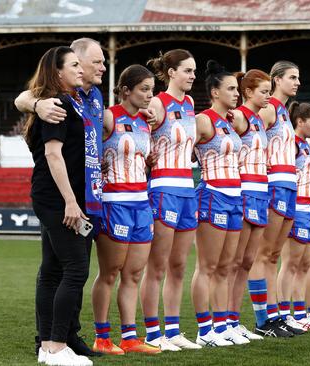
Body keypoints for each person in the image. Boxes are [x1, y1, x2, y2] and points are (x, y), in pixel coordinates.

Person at [16, 38, 108, 359]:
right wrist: (71, 201)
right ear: (68, 68)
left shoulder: (88, 98)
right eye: (88, 63)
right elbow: (53, 155)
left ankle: (60, 338)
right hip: (60, 197)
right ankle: (54, 345)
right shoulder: (55, 103)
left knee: (54, 269)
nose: (98, 69)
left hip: (82, 195)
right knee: (75, 269)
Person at [90, 65, 160, 355]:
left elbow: (144, 158)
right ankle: (102, 337)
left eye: (152, 90)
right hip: (114, 203)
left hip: (141, 203)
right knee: (110, 272)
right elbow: (88, 149)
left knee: (134, 273)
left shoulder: (146, 122)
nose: (149, 96)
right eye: (144, 89)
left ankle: (130, 337)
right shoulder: (107, 116)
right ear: (125, 90)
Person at [140, 49, 199, 351]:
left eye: (194, 71)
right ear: (171, 72)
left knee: (178, 266)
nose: (192, 76)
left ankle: (173, 330)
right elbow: (139, 137)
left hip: (188, 189)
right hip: (163, 188)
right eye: (187, 71)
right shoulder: (156, 103)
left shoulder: (189, 103)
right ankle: (152, 333)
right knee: (158, 267)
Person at [191, 60, 248, 346]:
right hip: (212, 194)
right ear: (214, 92)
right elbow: (182, 151)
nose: (236, 93)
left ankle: (223, 324)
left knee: (227, 266)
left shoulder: (230, 122)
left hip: (234, 196)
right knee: (207, 266)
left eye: (237, 89)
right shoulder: (203, 120)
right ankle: (204, 331)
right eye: (230, 89)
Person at [249, 61, 299, 336]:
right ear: (277, 80)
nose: (297, 82)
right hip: (274, 185)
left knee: (274, 255)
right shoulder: (268, 110)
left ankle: (275, 313)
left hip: (289, 184)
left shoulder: (283, 112)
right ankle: (262, 320)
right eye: (292, 77)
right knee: (263, 254)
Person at [226, 69, 271, 341]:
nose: (268, 96)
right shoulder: (239, 116)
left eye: (268, 91)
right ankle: (225, 321)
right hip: (243, 190)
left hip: (260, 191)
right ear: (248, 92)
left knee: (246, 262)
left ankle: (233, 319)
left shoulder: (257, 119)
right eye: (263, 91)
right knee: (233, 262)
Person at [278, 102, 310, 331]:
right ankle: (284, 314)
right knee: (290, 264)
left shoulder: (306, 146)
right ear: (300, 121)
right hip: (296, 207)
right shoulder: (292, 145)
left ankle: (300, 312)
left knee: (305, 264)